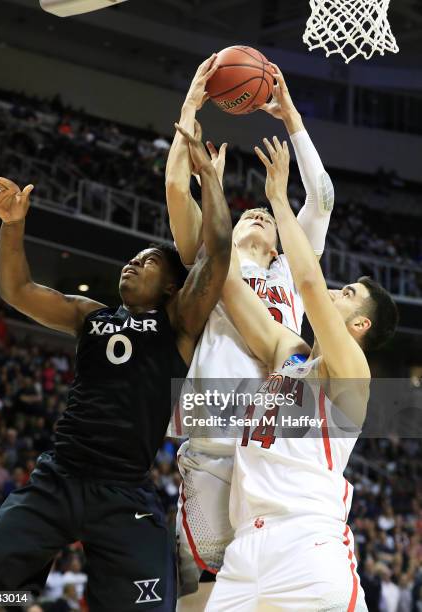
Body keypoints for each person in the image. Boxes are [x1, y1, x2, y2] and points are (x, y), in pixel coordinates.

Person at [0, 119, 232, 612]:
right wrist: (13, 226)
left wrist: (210, 182)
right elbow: (18, 292)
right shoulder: (91, 316)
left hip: (123, 492)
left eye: (147, 261)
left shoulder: (181, 322)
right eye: (132, 258)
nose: (132, 263)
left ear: (173, 286)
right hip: (59, 476)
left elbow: (216, 251)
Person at [165, 55, 335, 606]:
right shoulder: (210, 261)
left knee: (275, 598)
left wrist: (292, 120)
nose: (257, 214)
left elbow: (323, 199)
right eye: (246, 214)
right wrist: (191, 106)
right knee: (208, 597)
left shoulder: (290, 269)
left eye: (264, 213)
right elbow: (176, 189)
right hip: (214, 444)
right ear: (229, 228)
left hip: (275, 454)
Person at [205, 136, 398, 611]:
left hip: (307, 544)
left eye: (348, 293)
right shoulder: (289, 354)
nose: (336, 290)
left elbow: (309, 281)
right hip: (245, 548)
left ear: (360, 325)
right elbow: (226, 283)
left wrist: (277, 197)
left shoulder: (353, 371)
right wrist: (210, 189)